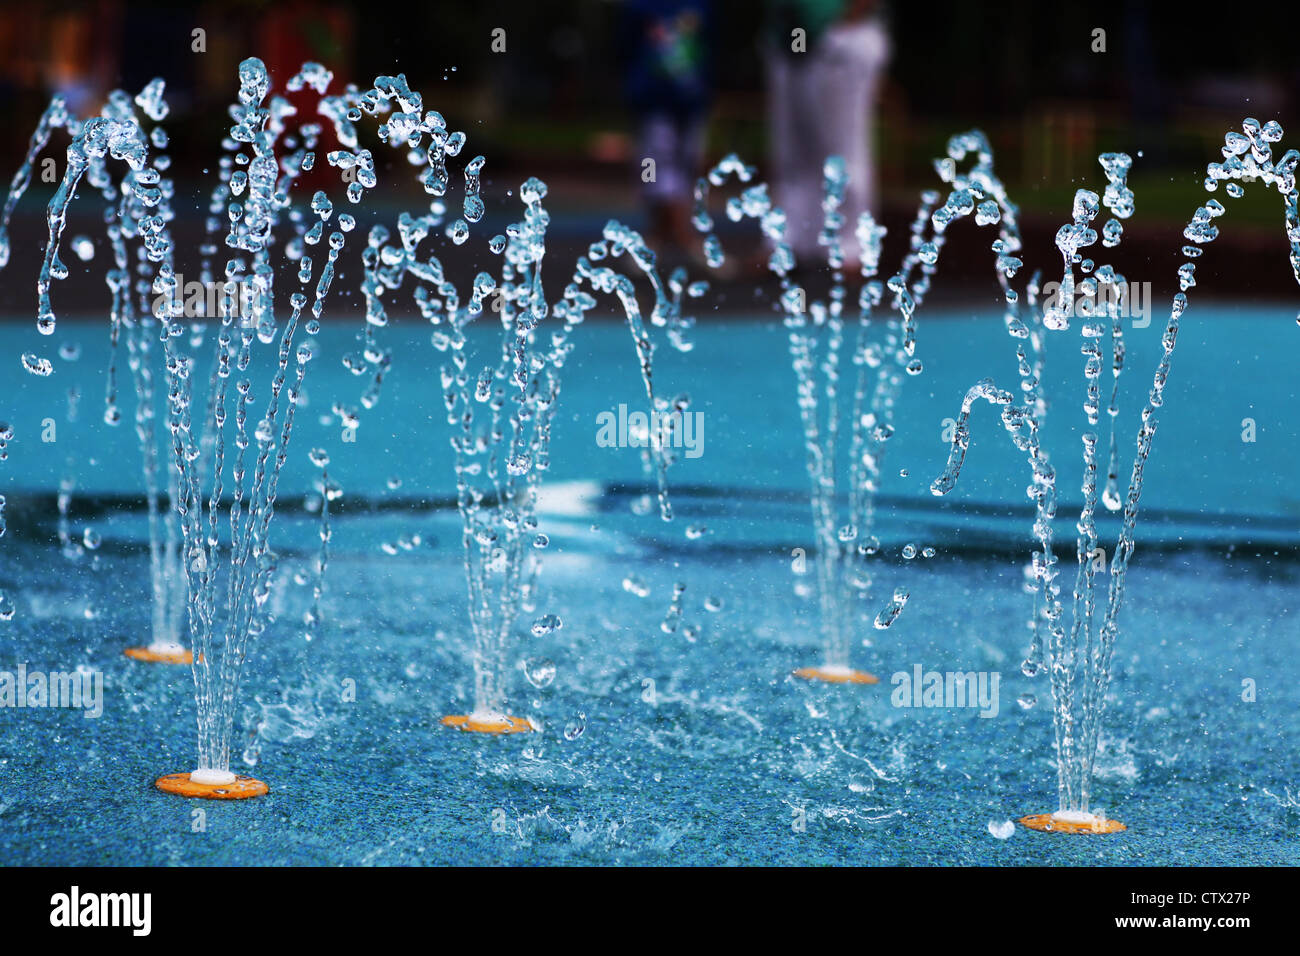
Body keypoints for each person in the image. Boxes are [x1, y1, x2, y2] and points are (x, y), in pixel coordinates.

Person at [764, 0, 890, 270]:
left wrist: (848, 19)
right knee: (793, 151)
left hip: (839, 36)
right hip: (792, 39)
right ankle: (793, 242)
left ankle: (850, 247)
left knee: (844, 148)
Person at [620, 0, 715, 262]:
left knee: (689, 163)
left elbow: (711, 46)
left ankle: (670, 233)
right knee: (655, 165)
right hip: (654, 100)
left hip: (691, 99)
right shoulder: (639, 7)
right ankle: (673, 234)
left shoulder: (702, 6)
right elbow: (625, 48)